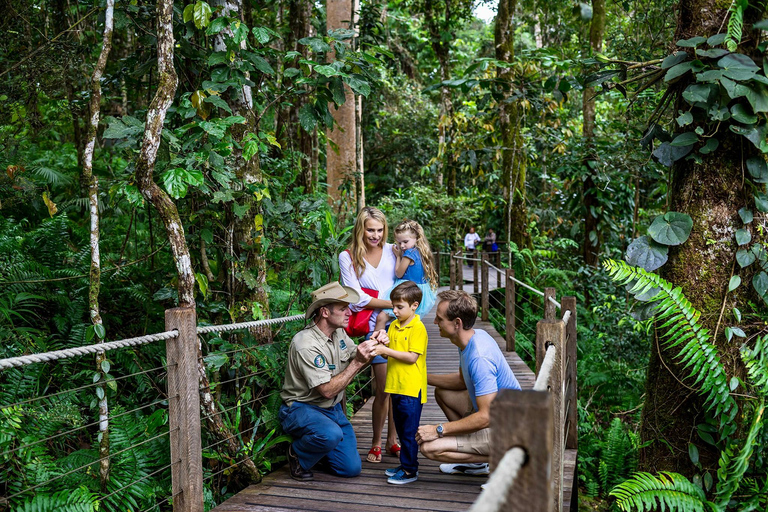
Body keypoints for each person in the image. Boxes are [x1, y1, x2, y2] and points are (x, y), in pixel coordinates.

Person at [279, 281, 388, 481]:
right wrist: (357, 363)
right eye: (343, 309)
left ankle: (319, 449)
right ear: (325, 313)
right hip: (301, 408)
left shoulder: (338, 332)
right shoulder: (305, 344)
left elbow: (358, 353)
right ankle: (298, 454)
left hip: (332, 410)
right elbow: (328, 391)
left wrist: (376, 343)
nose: (349, 314)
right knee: (329, 435)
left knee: (351, 469)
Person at [415, 290, 521, 476]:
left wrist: (438, 430)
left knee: (429, 447)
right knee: (443, 392)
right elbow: (462, 381)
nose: (434, 323)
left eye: (439, 319)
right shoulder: (471, 338)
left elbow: (485, 417)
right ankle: (476, 459)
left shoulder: (479, 357)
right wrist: (421, 377)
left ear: (457, 324)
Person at [338, 206, 399, 463]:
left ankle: (392, 441)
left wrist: (398, 308)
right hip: (373, 329)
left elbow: (407, 281)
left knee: (400, 388)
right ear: (360, 229)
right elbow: (355, 298)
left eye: (380, 229)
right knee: (384, 388)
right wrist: (394, 304)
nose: (375, 235)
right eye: (370, 230)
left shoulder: (394, 251)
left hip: (402, 325)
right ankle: (376, 441)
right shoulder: (348, 256)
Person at [371, 281, 429, 485]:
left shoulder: (418, 328)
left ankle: (410, 471)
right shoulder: (394, 326)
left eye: (399, 307)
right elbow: (391, 357)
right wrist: (383, 344)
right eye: (393, 306)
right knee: (402, 427)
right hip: (395, 385)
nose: (394, 311)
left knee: (408, 431)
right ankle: (405, 464)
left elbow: (412, 357)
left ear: (414, 305)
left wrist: (385, 351)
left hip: (411, 388)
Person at [375, 219, 438, 332]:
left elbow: (399, 273)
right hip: (419, 291)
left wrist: (398, 256)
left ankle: (375, 345)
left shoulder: (408, 254)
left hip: (407, 290)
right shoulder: (420, 251)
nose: (402, 245)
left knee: (381, 318)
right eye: (399, 243)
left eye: (405, 242)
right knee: (406, 322)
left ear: (416, 238)